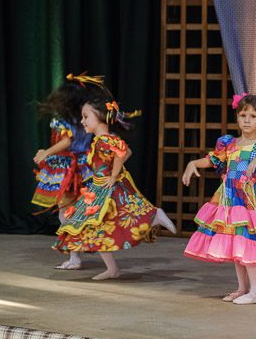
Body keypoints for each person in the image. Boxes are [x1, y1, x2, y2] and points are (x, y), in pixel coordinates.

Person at [54, 94, 176, 279]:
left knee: (100, 227)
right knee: (98, 230)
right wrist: (111, 171)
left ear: (100, 117)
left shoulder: (104, 140)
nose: (82, 121)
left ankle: (154, 216)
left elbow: (121, 154)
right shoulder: (104, 139)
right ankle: (112, 269)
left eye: (86, 117)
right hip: (99, 186)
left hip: (105, 188)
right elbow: (127, 151)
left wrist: (112, 175)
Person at [183, 94, 256, 305]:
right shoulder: (229, 143)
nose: (247, 120)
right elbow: (213, 160)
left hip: (249, 201)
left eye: (253, 116)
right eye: (243, 115)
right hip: (229, 200)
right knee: (236, 243)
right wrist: (193, 163)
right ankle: (242, 288)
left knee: (246, 241)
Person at [32, 74, 105, 269]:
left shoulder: (63, 120)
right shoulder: (83, 119)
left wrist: (46, 152)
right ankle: (82, 249)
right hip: (85, 166)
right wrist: (47, 151)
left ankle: (75, 256)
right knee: (79, 210)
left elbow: (66, 142)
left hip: (69, 169)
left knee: (66, 213)